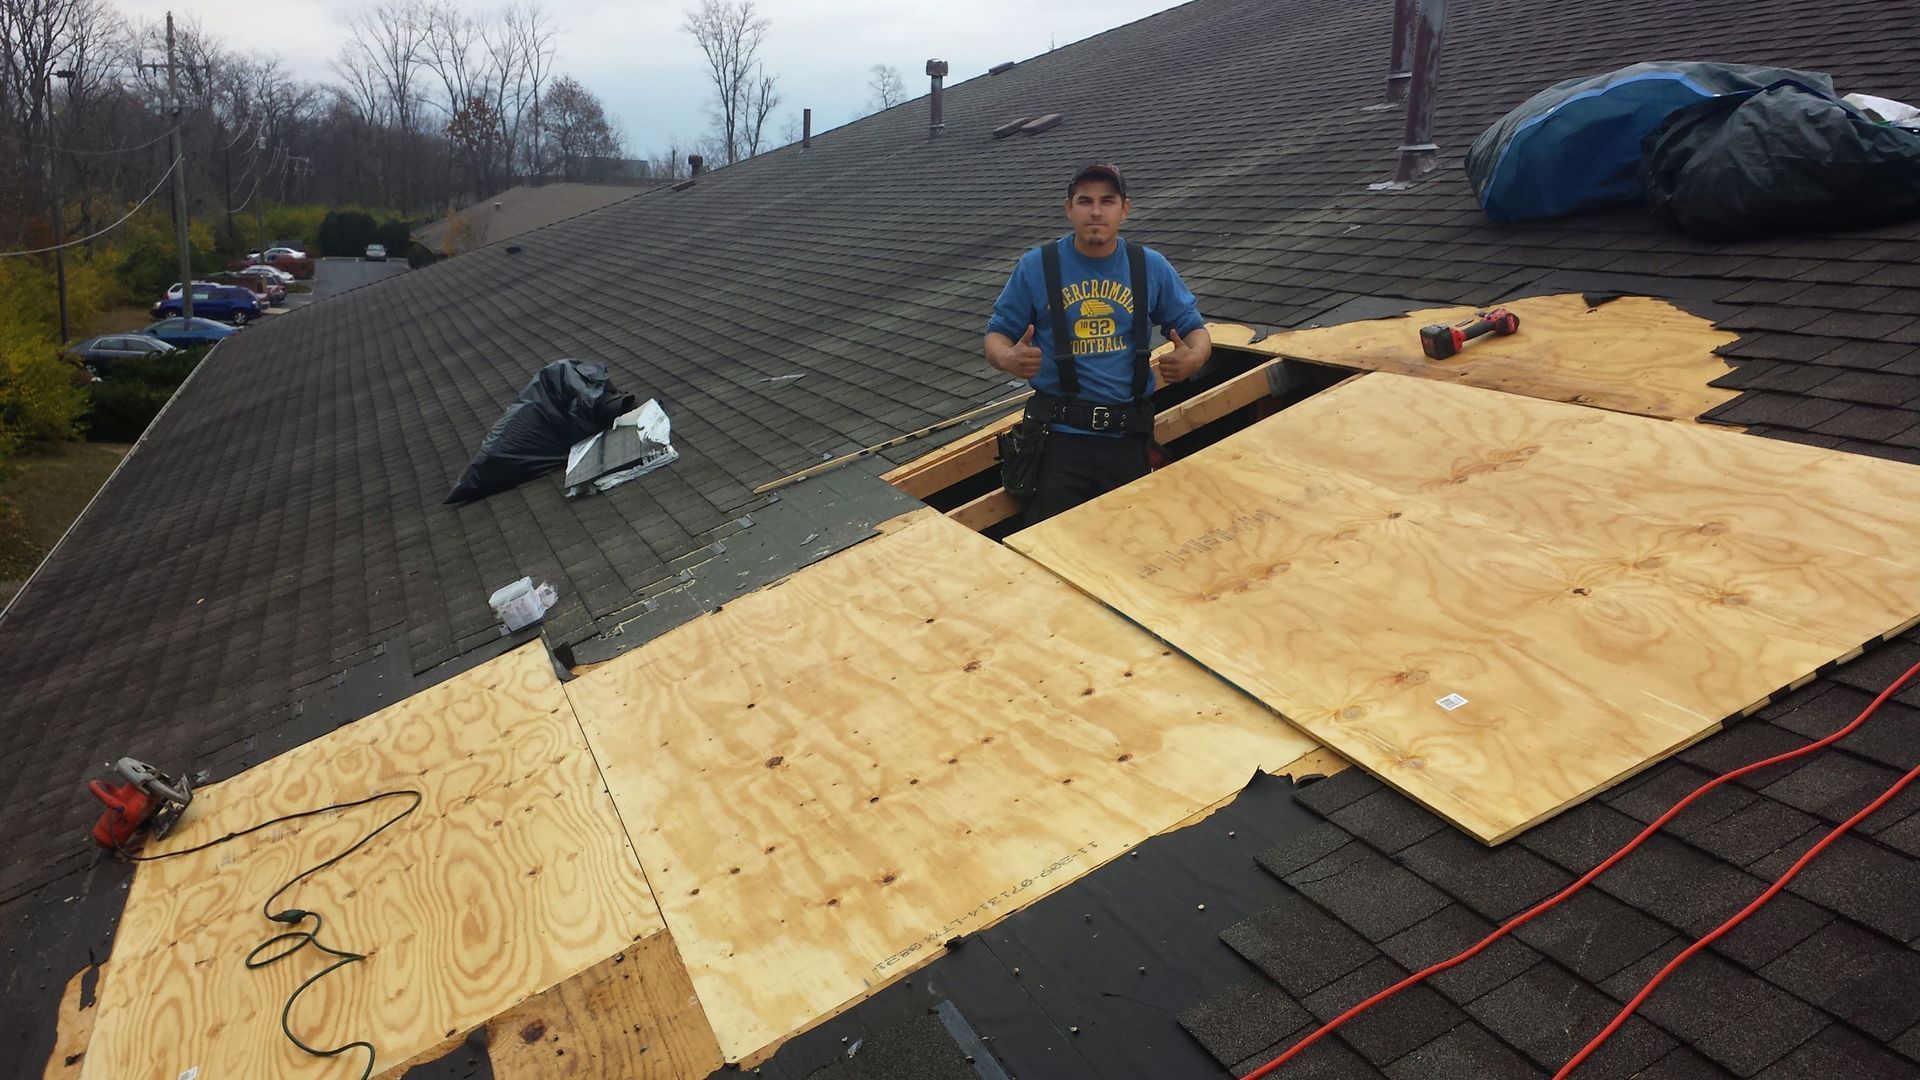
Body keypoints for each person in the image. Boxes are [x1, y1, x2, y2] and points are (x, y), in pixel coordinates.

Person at [984, 162, 1211, 525]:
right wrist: (1007, 358)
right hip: (1058, 444)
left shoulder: (1149, 267)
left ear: (1125, 209)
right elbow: (996, 336)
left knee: (1128, 545)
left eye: (1107, 201)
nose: (1095, 211)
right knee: (1058, 548)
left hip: (1126, 441)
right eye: (1085, 200)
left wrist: (1195, 356)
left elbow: (1194, 329)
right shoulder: (1036, 267)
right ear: (1068, 208)